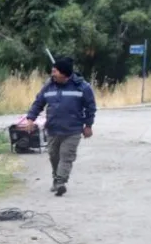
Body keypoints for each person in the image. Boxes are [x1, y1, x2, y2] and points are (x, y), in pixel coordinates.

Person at [22, 56, 96, 197]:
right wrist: (30, 119)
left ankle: (61, 182)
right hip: (53, 128)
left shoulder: (82, 87)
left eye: (55, 71)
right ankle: (56, 179)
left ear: (64, 73)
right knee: (53, 155)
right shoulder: (49, 86)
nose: (52, 74)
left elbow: (91, 107)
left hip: (72, 130)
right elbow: (38, 103)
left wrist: (88, 125)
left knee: (66, 156)